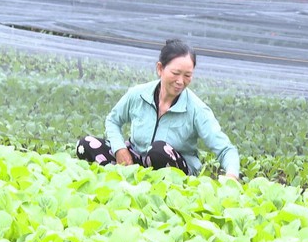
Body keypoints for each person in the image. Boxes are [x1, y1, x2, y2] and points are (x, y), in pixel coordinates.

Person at [76, 38, 240, 180]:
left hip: (174, 171)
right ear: (160, 69)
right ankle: (123, 182)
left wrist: (231, 175)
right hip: (136, 161)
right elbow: (113, 120)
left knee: (159, 150)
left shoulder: (196, 109)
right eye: (175, 73)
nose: (180, 81)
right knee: (86, 145)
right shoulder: (138, 94)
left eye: (187, 75)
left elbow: (226, 149)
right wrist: (119, 148)